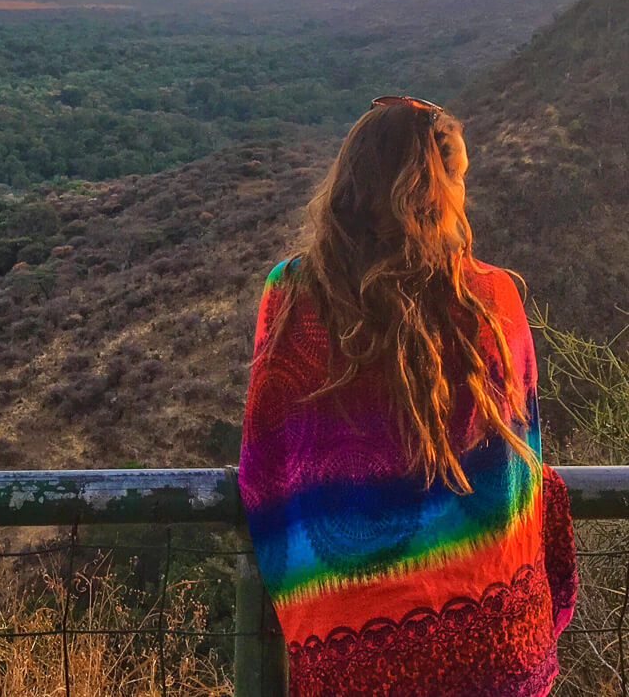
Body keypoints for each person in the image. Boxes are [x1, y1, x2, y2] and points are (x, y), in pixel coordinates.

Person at [238, 95, 577, 697]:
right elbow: (521, 456)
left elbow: (267, 455)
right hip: (495, 646)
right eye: (458, 182)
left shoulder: (288, 294)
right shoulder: (493, 298)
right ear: (437, 192)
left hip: (353, 654)